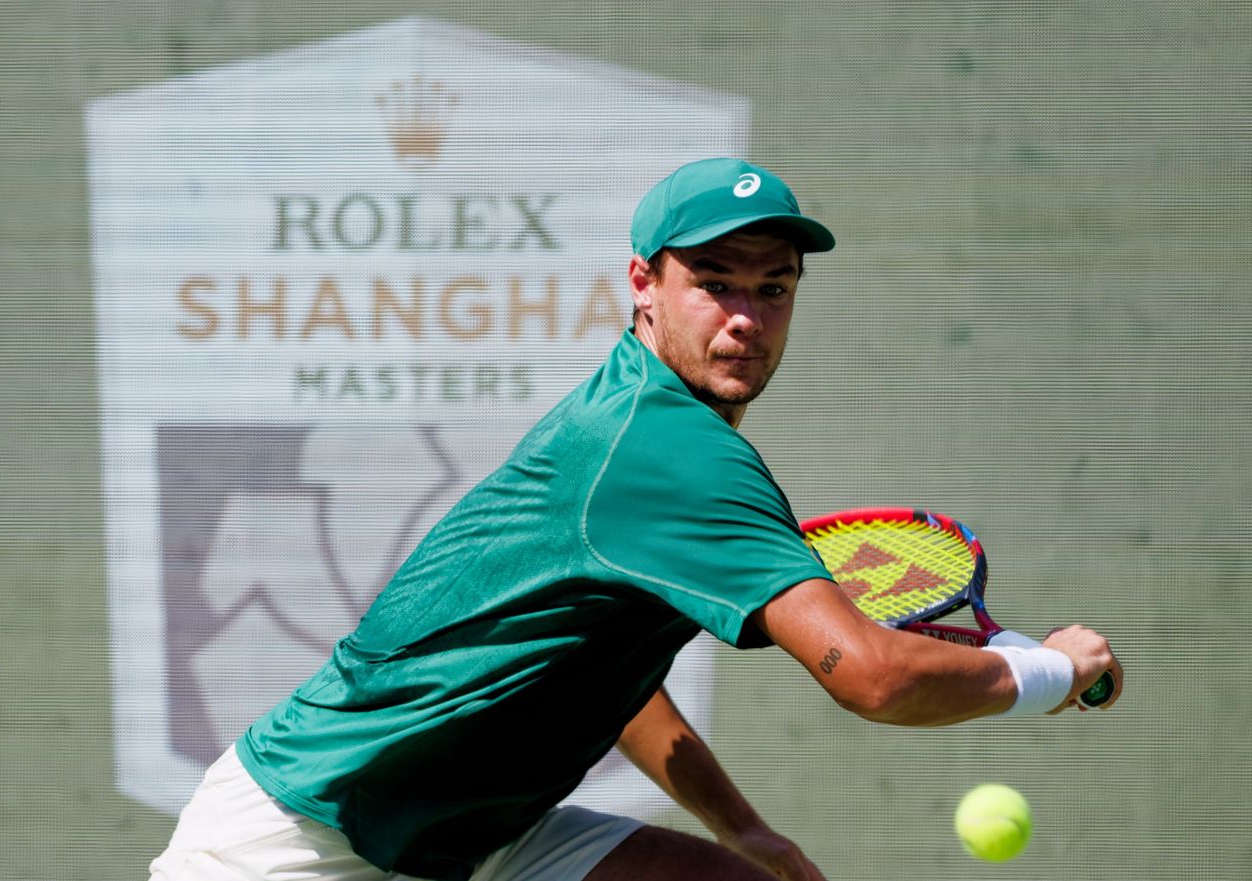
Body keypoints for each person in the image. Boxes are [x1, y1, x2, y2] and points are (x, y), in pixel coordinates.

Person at [148, 157, 1122, 881]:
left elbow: (605, 671)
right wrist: (1052, 672)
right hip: (302, 837)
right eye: (714, 281)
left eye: (773, 288)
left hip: (470, 831)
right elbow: (874, 676)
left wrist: (738, 825)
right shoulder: (670, 452)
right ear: (644, 285)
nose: (744, 317)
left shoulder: (638, 411)